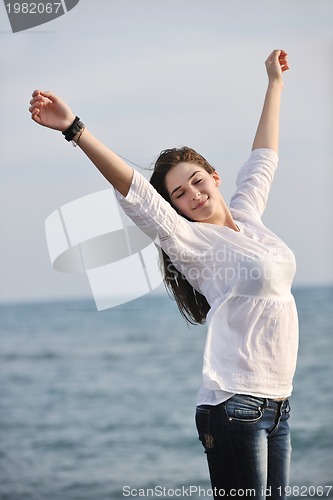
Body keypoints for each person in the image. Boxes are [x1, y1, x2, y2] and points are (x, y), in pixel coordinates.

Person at [29, 49, 298, 499]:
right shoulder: (191, 243)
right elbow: (136, 191)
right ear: (173, 207)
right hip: (234, 407)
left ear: (214, 176)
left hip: (277, 406)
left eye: (197, 180)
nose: (192, 194)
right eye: (178, 193)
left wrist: (274, 85)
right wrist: (75, 130)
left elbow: (263, 157)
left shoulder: (250, 219)